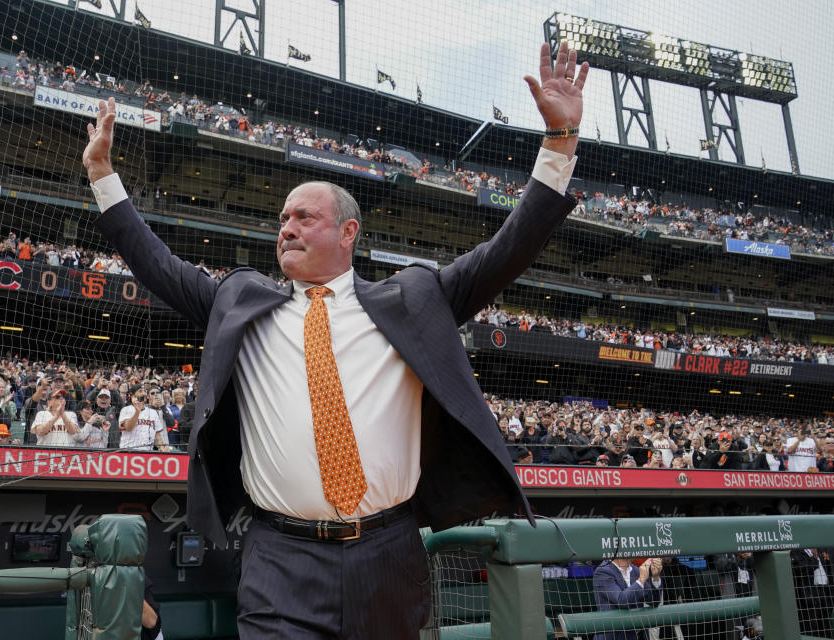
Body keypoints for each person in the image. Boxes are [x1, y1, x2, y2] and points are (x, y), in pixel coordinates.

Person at [82, 41, 588, 638]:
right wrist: (102, 176)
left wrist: (559, 144)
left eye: (303, 217)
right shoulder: (242, 301)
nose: (286, 228)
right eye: (282, 220)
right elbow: (156, 263)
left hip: (390, 554)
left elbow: (508, 250)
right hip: (279, 559)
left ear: (348, 231)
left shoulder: (412, 299)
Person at [592, 557, 664, 640]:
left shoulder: (636, 570)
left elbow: (653, 602)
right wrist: (641, 579)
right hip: (613, 637)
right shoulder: (603, 571)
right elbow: (621, 600)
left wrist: (656, 577)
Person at [117, 385, 170, 452]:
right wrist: (137, 412)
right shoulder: (126, 409)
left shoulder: (153, 412)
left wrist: (162, 447)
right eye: (140, 391)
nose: (144, 393)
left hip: (147, 452)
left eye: (145, 391)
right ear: (132, 396)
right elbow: (128, 427)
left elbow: (157, 436)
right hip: (128, 451)